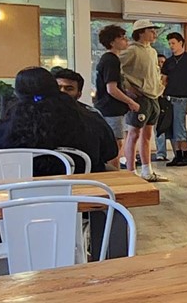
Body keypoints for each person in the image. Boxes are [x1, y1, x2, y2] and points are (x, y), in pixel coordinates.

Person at [0, 66, 118, 172]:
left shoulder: (11, 121)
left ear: (18, 93)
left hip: (21, 186)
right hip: (80, 183)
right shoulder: (87, 115)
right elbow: (110, 152)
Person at [117, 19, 167, 182]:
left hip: (153, 97)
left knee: (147, 135)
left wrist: (159, 86)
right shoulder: (131, 50)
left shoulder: (152, 51)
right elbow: (117, 69)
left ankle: (147, 170)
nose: (154, 34)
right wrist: (128, 88)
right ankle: (131, 171)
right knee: (134, 134)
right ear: (140, 32)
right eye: (150, 30)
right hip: (140, 97)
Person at [56, 68, 119, 170]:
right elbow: (110, 152)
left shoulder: (92, 116)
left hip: (84, 169)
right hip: (84, 169)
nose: (62, 91)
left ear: (79, 94)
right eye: (58, 87)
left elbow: (110, 150)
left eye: (69, 88)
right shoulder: (92, 115)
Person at [93, 24, 139, 160]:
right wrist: (131, 102)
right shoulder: (111, 60)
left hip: (110, 108)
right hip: (111, 109)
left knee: (115, 144)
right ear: (112, 42)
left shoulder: (110, 59)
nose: (126, 40)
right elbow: (111, 89)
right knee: (115, 146)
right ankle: (114, 171)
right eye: (122, 38)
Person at [161, 31, 187, 168]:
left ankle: (185, 155)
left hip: (182, 98)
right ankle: (178, 154)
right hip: (169, 97)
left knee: (179, 126)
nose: (171, 46)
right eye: (169, 43)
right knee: (171, 127)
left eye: (173, 43)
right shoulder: (168, 62)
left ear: (181, 43)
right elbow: (163, 80)